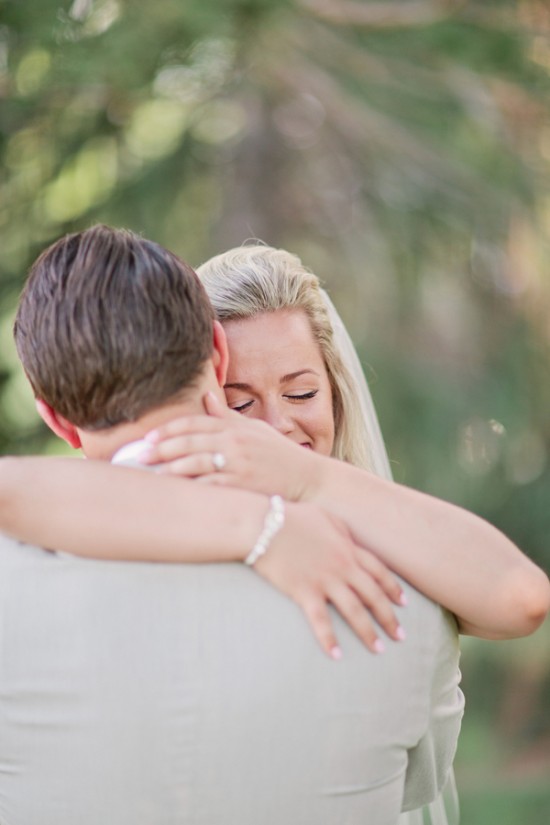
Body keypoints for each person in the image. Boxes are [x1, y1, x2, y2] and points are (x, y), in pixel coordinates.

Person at [0, 225, 464, 825]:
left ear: (55, 418)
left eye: (300, 392)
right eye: (241, 402)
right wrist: (258, 527)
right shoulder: (405, 604)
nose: (273, 431)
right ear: (214, 360)